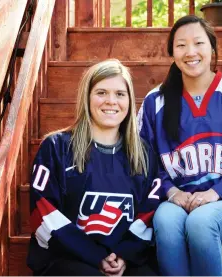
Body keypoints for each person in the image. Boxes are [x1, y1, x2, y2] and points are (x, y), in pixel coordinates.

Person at [137, 15, 222, 276]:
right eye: (181, 45)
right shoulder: (155, 102)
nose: (191, 52)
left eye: (198, 43)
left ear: (212, 48)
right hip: (176, 201)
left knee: (201, 222)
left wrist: (214, 194)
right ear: (172, 53)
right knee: (164, 219)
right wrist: (172, 192)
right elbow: (143, 161)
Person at [27, 59, 160, 276]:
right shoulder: (56, 147)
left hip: (124, 260)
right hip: (68, 260)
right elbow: (44, 213)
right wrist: (94, 256)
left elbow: (149, 213)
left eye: (119, 94)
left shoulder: (144, 155)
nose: (111, 101)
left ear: (129, 101)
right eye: (101, 92)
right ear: (87, 98)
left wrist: (124, 254)